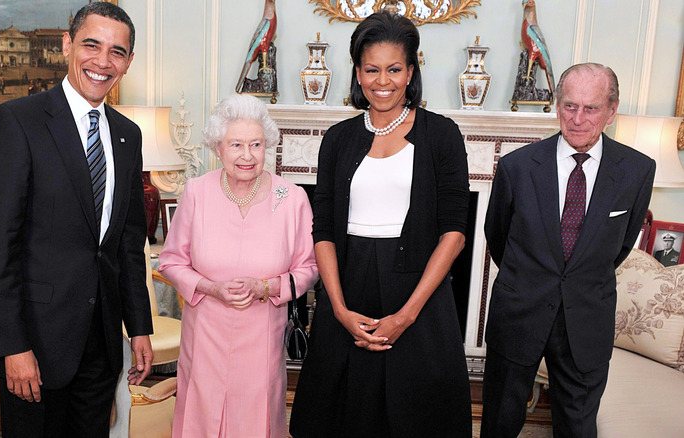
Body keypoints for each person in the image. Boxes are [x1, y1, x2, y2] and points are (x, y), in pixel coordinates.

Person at [290, 11, 472, 437]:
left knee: (417, 417)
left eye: (394, 69)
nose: (382, 81)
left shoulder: (442, 134)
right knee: (341, 415)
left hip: (419, 295)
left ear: (411, 71)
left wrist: (405, 316)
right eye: (372, 69)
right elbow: (324, 230)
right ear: (357, 72)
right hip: (348, 290)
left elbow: (455, 232)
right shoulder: (337, 139)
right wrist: (336, 309)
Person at [0, 3, 153, 437]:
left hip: (102, 340)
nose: (102, 61)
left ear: (128, 63)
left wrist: (140, 327)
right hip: (36, 340)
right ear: (66, 45)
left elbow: (127, 244)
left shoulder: (128, 135)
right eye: (92, 45)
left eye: (117, 52)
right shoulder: (17, 121)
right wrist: (13, 345)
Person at [482, 63, 655, 438]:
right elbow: (496, 234)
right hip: (519, 313)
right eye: (569, 106)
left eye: (590, 108)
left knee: (578, 428)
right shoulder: (517, 167)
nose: (577, 119)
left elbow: (621, 245)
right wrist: (529, 279)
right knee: (499, 423)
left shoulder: (637, 170)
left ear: (611, 111)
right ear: (557, 105)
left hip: (586, 319)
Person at [159, 94, 318, 438]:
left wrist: (266, 287)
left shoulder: (291, 199)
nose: (247, 155)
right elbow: (171, 260)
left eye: (256, 144)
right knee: (200, 420)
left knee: (256, 420)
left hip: (262, 335)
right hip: (205, 336)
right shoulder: (197, 192)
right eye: (236, 145)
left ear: (268, 147)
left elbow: (309, 268)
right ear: (218, 148)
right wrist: (210, 288)